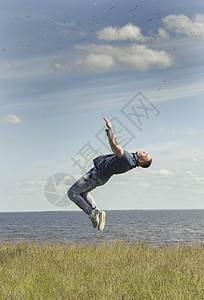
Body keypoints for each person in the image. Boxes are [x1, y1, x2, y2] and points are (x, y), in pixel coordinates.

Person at [67, 117, 152, 231]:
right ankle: (97, 212)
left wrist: (111, 129)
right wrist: (110, 134)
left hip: (96, 175)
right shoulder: (131, 160)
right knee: (82, 193)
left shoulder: (128, 159)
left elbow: (114, 145)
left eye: (145, 155)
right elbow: (116, 144)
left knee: (72, 193)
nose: (144, 152)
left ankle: (92, 214)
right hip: (101, 177)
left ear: (141, 161)